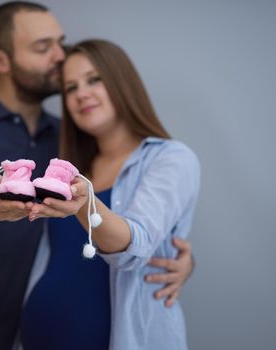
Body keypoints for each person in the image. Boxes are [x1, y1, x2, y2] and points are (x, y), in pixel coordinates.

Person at [0, 2, 194, 349]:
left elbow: (133, 225)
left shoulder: (68, 144)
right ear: (1, 61)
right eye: (43, 47)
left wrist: (177, 253)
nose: (60, 55)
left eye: (60, 42)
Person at [19, 39, 200, 350]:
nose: (81, 94)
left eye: (94, 80)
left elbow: (137, 246)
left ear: (121, 83)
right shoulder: (67, 169)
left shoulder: (171, 159)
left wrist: (87, 205)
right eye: (71, 88)